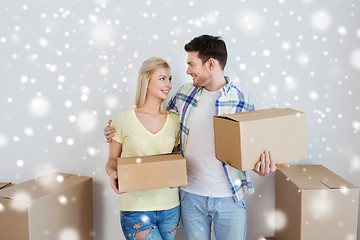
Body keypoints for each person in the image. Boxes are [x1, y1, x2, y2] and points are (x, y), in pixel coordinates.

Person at [105, 35, 288, 240]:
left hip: (230, 198)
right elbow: (155, 119)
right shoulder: (184, 95)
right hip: (191, 197)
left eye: (192, 64)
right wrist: (114, 130)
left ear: (210, 64)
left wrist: (262, 167)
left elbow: (252, 152)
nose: (187, 71)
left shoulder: (243, 102)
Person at [105, 57, 181, 240]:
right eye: (162, 78)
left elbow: (176, 156)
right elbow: (112, 160)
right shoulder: (123, 118)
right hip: (135, 209)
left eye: (170, 79)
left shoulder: (175, 121)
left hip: (170, 207)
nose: (169, 84)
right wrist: (113, 174)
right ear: (146, 81)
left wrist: (177, 174)